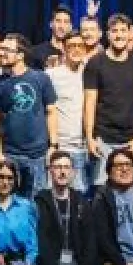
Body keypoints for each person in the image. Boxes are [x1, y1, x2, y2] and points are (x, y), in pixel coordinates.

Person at [34, 151, 106, 265]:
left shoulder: (81, 200)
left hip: (80, 262)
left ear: (73, 172)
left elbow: (91, 239)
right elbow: (42, 245)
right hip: (52, 264)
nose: (62, 172)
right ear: (50, 171)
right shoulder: (40, 201)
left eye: (66, 167)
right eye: (57, 167)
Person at [0, 34, 59, 197]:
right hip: (10, 155)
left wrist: (53, 146)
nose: (1, 52)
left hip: (38, 156)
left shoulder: (41, 78)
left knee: (36, 203)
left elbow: (51, 111)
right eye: (1, 48)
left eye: (7, 49)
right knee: (9, 201)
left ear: (20, 55)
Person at [83, 15, 133, 185]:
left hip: (131, 140)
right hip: (103, 140)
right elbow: (89, 103)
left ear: (129, 34)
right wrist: (90, 138)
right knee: (101, 190)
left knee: (132, 190)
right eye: (114, 31)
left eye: (123, 31)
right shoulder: (95, 63)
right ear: (108, 34)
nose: (119, 35)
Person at [46, 33, 91, 189]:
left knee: (82, 195)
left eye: (80, 46)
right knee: (55, 194)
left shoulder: (92, 73)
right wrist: (52, 145)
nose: (76, 50)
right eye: (72, 46)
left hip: (85, 147)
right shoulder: (51, 75)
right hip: (60, 146)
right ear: (64, 49)